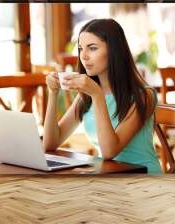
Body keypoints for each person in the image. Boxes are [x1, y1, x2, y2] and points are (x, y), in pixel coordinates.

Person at [43, 18, 162, 174]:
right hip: (109, 175)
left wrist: (97, 95)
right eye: (80, 48)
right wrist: (53, 93)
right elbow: (51, 143)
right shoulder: (87, 95)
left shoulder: (144, 96)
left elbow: (109, 151)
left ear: (114, 51)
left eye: (92, 48)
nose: (83, 56)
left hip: (142, 178)